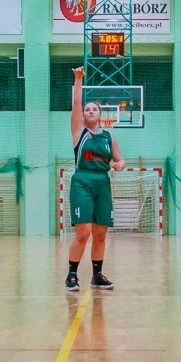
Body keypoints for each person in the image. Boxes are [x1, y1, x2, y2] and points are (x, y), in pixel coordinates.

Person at [66, 67, 126, 291]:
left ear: (100, 114)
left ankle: (97, 275)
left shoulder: (109, 137)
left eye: (94, 109)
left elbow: (120, 160)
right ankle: (72, 274)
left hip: (102, 183)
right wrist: (78, 79)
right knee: (84, 231)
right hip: (82, 181)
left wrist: (119, 165)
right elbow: (76, 103)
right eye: (87, 109)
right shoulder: (79, 132)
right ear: (83, 115)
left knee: (101, 233)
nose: (90, 111)